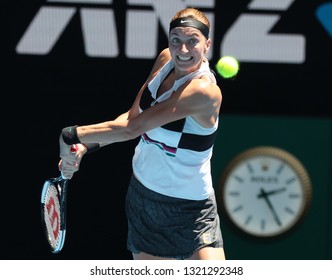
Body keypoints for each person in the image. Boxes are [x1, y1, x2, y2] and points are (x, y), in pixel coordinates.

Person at [59, 7, 226, 260]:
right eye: (176, 40)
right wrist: (87, 146)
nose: (182, 50)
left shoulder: (204, 92)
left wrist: (71, 135)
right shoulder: (164, 61)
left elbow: (132, 130)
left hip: (192, 211)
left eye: (193, 41)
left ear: (207, 45)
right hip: (143, 198)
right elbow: (132, 117)